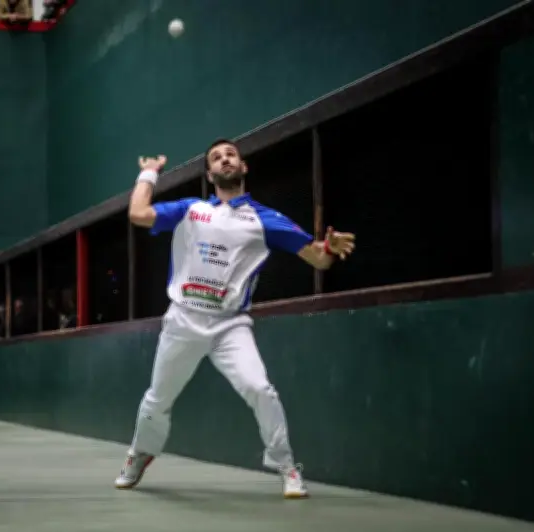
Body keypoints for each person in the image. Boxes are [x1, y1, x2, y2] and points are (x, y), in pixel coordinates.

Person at [114, 140, 356, 498]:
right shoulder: (190, 209)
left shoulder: (265, 219)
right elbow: (137, 213)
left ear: (243, 168)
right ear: (209, 174)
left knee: (260, 389)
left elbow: (318, 260)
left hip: (231, 325)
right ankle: (140, 453)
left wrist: (328, 249)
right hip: (183, 320)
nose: (225, 159)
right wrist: (149, 172)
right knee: (157, 399)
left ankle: (286, 465)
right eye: (216, 157)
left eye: (231, 155)